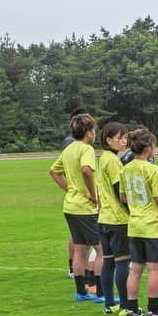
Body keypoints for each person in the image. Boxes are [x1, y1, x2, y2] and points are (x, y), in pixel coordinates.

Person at [121, 128, 158, 316]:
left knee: (135, 268)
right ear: (148, 148)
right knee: (154, 269)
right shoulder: (154, 171)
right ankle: (153, 310)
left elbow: (122, 196)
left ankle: (132, 308)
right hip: (153, 227)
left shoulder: (126, 169)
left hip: (135, 224)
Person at [49, 113, 102, 302]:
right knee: (102, 248)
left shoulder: (69, 149)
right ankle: (99, 292)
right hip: (84, 208)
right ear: (88, 132)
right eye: (94, 130)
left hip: (70, 206)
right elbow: (86, 170)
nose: (95, 133)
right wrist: (93, 195)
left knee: (80, 249)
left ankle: (81, 292)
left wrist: (69, 189)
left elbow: (53, 171)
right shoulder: (86, 149)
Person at [96, 122, 129, 314]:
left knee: (108, 262)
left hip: (104, 218)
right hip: (117, 219)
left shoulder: (104, 158)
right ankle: (125, 304)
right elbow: (120, 193)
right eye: (120, 138)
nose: (124, 141)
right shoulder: (114, 162)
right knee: (123, 262)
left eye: (125, 137)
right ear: (108, 140)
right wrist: (132, 211)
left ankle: (109, 303)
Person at [61, 108, 88, 280]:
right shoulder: (72, 143)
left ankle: (78, 270)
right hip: (81, 199)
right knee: (82, 240)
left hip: (75, 198)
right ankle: (81, 272)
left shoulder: (72, 143)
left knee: (78, 237)